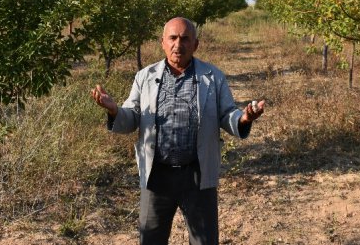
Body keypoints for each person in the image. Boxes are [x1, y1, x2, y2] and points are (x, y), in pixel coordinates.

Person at [91, 16, 265, 244]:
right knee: (150, 238)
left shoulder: (213, 77)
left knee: (204, 240)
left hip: (197, 174)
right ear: (162, 42)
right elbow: (132, 117)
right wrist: (114, 110)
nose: (178, 44)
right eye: (172, 38)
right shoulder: (145, 77)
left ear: (196, 44)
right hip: (157, 176)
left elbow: (226, 114)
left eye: (185, 38)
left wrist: (243, 118)